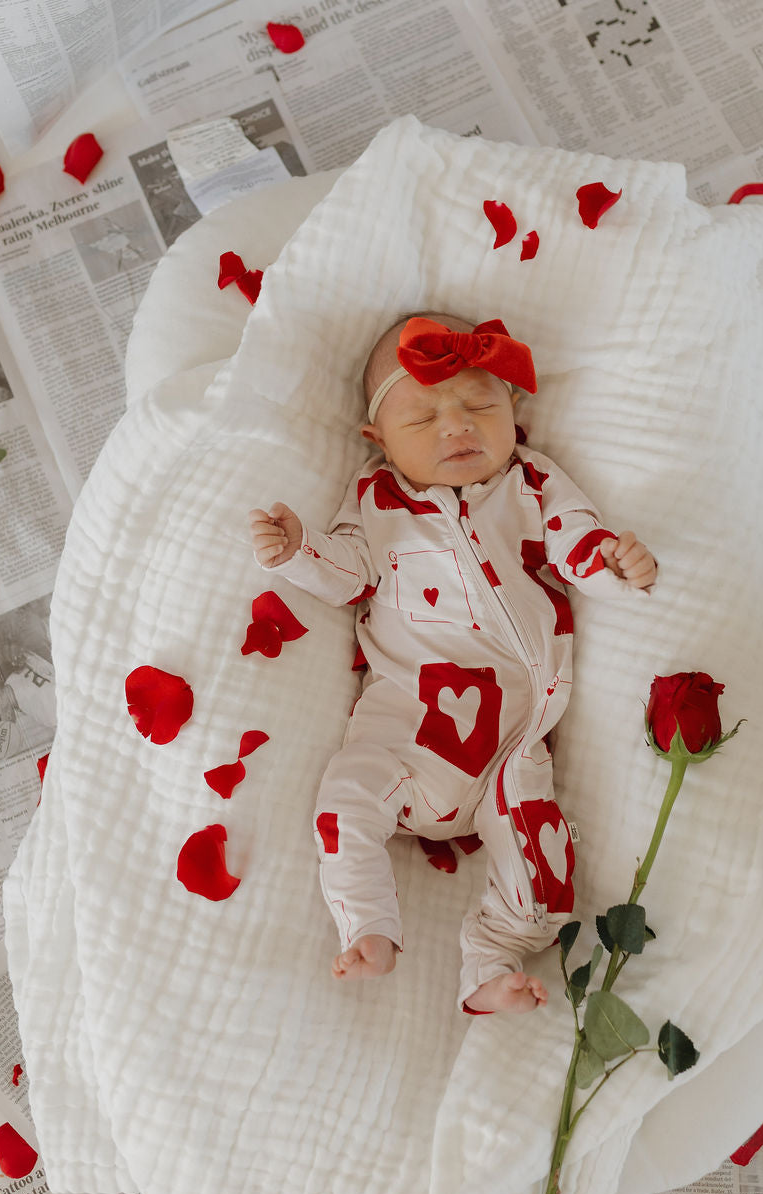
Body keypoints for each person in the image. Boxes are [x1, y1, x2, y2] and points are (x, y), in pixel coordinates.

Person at [249, 313, 657, 1014]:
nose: (456, 428)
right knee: (345, 797)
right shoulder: (377, 503)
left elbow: (573, 538)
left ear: (513, 410)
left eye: (478, 405)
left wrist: (614, 563)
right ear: (377, 442)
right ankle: (369, 925)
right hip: (410, 734)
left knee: (543, 863)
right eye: (423, 418)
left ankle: (491, 958)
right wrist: (298, 550)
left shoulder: (528, 482)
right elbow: (348, 574)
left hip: (510, 746)